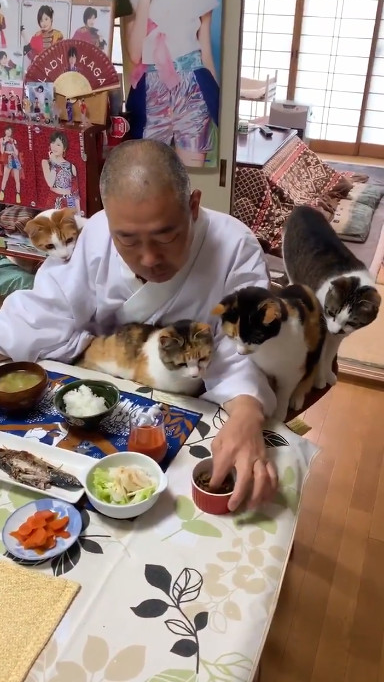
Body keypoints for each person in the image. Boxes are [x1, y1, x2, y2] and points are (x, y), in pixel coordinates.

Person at [0, 140, 278, 510]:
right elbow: (47, 311)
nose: (148, 259)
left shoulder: (234, 247)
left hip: (190, 405)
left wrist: (246, 412)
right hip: (99, 396)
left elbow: (242, 350)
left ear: (193, 206)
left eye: (167, 236)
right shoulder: (96, 232)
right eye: (127, 240)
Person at [125, 0, 220, 167]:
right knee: (150, 176)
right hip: (151, 88)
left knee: (190, 176)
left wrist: (216, 102)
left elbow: (205, 53)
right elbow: (135, 54)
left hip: (192, 88)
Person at [41, 131, 80, 213]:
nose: (54, 147)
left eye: (58, 145)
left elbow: (75, 192)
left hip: (69, 202)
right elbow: (50, 183)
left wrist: (79, 213)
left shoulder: (71, 167)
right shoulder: (46, 163)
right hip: (54, 201)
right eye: (53, 143)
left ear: (64, 148)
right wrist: (54, 163)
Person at [0, 125, 21, 204]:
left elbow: (16, 153)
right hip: (7, 158)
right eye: (7, 130)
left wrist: (12, 144)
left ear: (12, 132)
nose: (8, 132)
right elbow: (2, 152)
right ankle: (2, 192)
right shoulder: (1, 139)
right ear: (5, 131)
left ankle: (18, 194)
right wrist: (4, 143)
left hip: (14, 158)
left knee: (17, 178)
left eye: (10, 131)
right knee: (5, 177)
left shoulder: (14, 140)